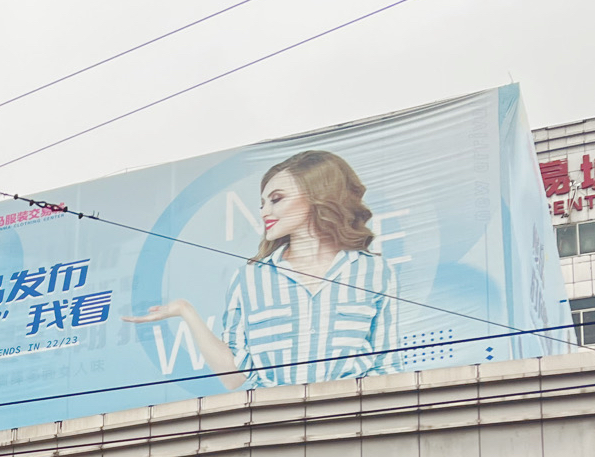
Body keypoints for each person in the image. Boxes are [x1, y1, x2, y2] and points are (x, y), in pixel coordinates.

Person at [125, 150, 401, 392]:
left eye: (276, 199)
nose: (264, 212)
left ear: (318, 196)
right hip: (270, 423)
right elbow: (234, 378)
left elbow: (387, 365)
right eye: (262, 203)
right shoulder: (250, 278)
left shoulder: (374, 271)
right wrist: (186, 311)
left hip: (354, 423)